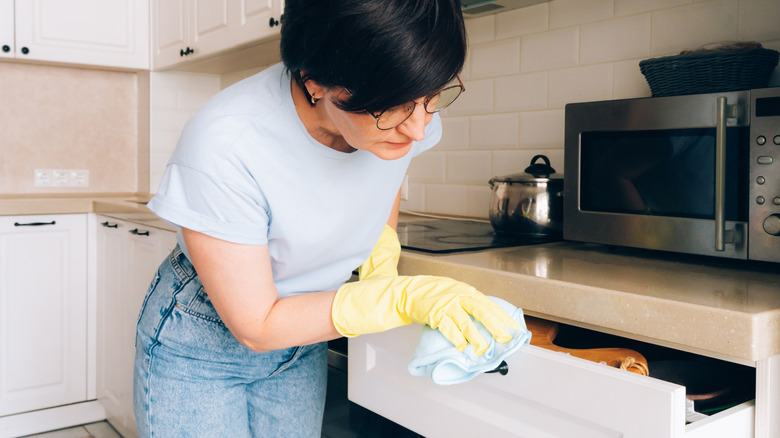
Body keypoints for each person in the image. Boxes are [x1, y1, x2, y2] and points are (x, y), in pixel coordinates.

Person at [133, 0, 519, 436]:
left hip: (305, 331)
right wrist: (398, 299)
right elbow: (257, 326)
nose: (418, 129)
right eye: (389, 109)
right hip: (205, 339)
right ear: (315, 83)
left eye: (430, 98)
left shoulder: (406, 115)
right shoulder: (226, 143)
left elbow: (385, 179)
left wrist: (381, 247)